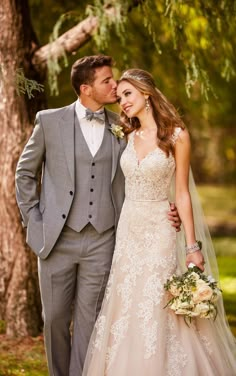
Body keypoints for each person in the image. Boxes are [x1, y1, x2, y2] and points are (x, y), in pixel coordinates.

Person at [15, 56, 181, 376]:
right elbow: (24, 174)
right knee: (56, 321)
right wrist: (33, 222)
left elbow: (151, 163)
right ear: (86, 88)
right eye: (108, 81)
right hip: (56, 240)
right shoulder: (49, 121)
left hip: (104, 239)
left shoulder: (123, 125)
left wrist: (165, 206)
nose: (116, 86)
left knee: (91, 321)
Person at [82, 69, 236, 375]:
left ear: (146, 94)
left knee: (157, 300)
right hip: (129, 229)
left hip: (160, 229)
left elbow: (182, 193)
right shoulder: (125, 134)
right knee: (126, 300)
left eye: (128, 94)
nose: (121, 101)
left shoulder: (177, 136)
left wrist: (193, 248)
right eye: (120, 96)